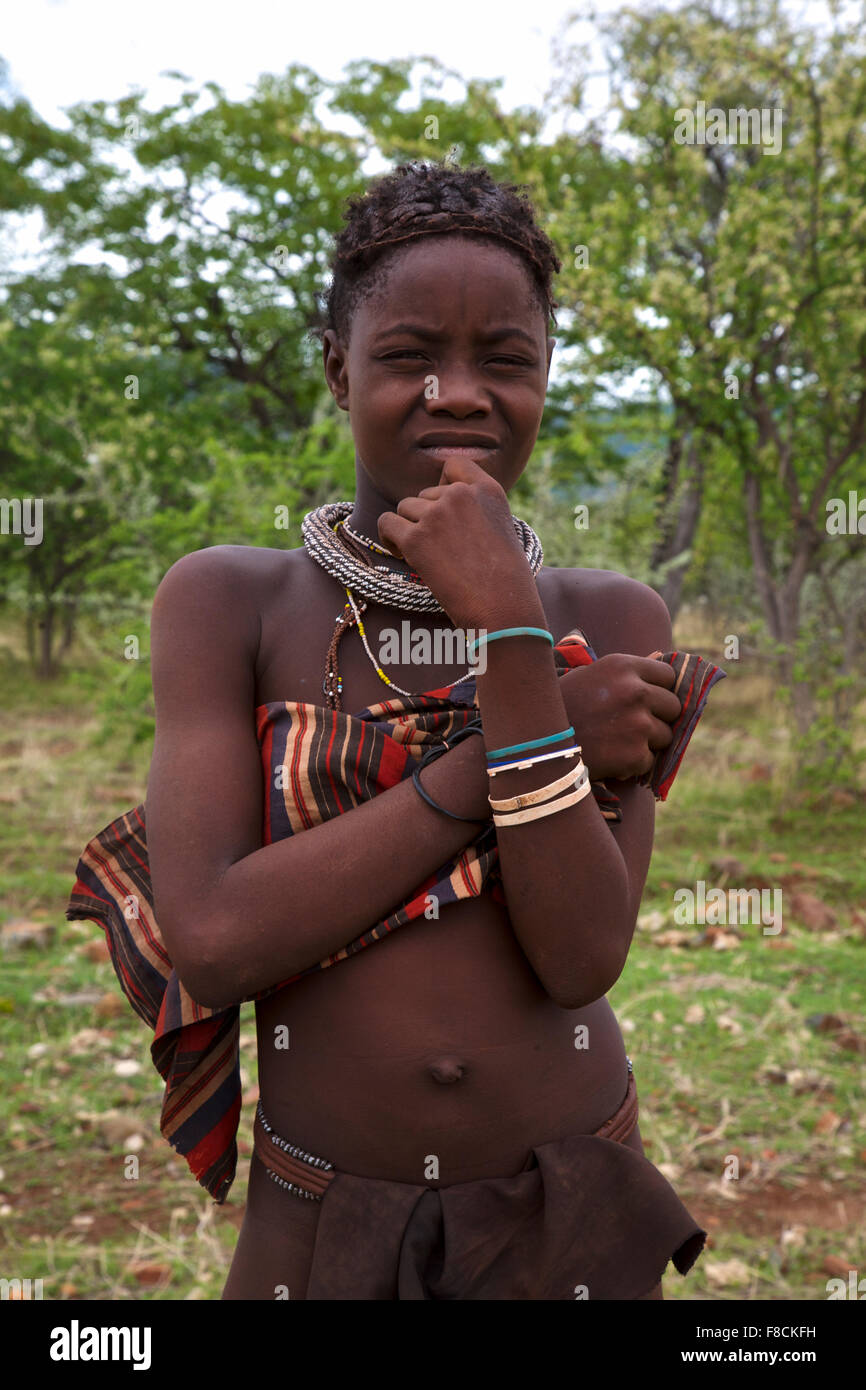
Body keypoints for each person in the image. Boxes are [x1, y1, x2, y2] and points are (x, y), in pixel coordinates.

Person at [68, 160, 722, 1300]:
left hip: (563, 1209)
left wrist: (512, 636)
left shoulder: (608, 620)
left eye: (504, 360)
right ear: (337, 368)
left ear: (547, 376)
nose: (458, 393)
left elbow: (579, 958)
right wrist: (506, 749)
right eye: (410, 354)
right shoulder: (232, 604)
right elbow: (216, 939)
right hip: (320, 1219)